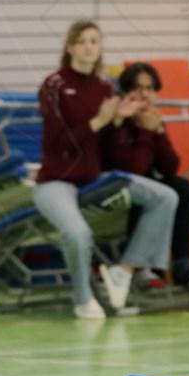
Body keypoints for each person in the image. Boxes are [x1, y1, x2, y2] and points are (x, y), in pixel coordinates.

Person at [35, 20, 179, 320]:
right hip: (56, 181)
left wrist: (118, 120)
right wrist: (99, 121)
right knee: (78, 233)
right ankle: (83, 299)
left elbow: (108, 147)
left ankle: (124, 270)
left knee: (166, 197)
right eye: (82, 41)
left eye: (95, 41)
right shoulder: (54, 85)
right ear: (70, 47)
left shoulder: (104, 88)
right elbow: (58, 142)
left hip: (93, 178)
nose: (89, 47)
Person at [105, 63, 189, 291]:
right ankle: (142, 267)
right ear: (124, 93)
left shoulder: (151, 120)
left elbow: (170, 167)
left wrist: (159, 133)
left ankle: (183, 264)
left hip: (144, 186)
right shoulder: (116, 122)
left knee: (180, 186)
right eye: (137, 88)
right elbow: (134, 171)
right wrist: (146, 132)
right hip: (115, 190)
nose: (144, 95)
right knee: (147, 191)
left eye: (149, 88)